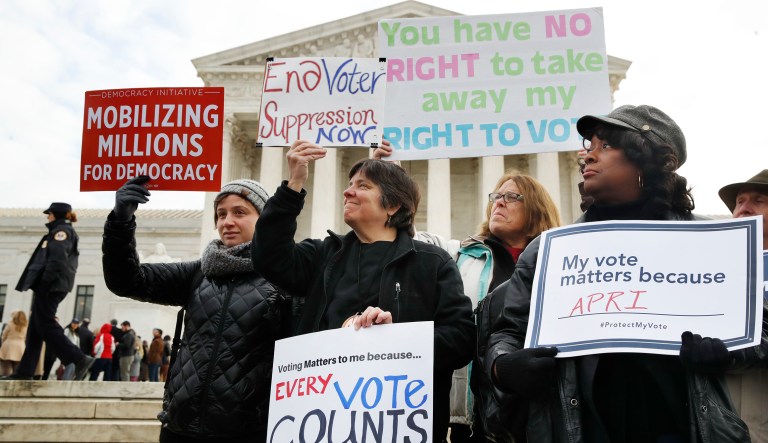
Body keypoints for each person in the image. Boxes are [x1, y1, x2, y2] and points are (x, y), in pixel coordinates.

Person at [486, 105, 763, 442]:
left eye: (606, 146)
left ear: (646, 161)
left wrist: (727, 350)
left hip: (681, 426)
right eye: (590, 146)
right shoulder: (550, 249)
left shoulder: (711, 242)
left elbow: (761, 335)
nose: (587, 156)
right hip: (583, 428)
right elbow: (506, 332)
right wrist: (504, 367)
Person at [251, 140, 476, 443]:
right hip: (323, 421)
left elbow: (462, 338)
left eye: (363, 186)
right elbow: (268, 257)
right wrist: (293, 185)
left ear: (393, 205)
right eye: (349, 184)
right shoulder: (323, 256)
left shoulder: (432, 264)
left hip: (396, 425)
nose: (348, 191)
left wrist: (396, 338)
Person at [374, 142, 562, 442]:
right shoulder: (459, 255)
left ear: (537, 209)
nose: (498, 203)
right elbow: (406, 238)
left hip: (537, 411)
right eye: (496, 197)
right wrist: (390, 182)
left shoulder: (559, 263)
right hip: (471, 416)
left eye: (511, 197)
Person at [103, 176, 291, 443]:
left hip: (249, 431)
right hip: (180, 427)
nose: (227, 222)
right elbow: (126, 281)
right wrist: (121, 223)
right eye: (221, 214)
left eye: (240, 212)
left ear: (264, 219)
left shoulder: (285, 278)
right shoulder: (197, 274)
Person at [1, 202, 94, 381]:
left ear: (56, 214)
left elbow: (58, 259)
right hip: (52, 284)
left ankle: (79, 358)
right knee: (36, 329)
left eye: (49, 214)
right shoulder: (59, 231)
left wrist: (45, 281)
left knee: (45, 324)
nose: (47, 217)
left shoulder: (62, 232)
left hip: (51, 285)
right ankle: (25, 372)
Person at [719, 170, 768, 443]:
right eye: (739, 201)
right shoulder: (713, 267)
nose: (743, 208)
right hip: (727, 416)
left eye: (758, 200)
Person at [0, 311, 28, 376]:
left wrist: (3, 343)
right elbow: (26, 337)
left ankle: (4, 383)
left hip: (8, 346)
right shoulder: (26, 325)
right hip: (20, 347)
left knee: (5, 369)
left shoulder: (10, 324)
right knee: (17, 369)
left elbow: (4, 336)